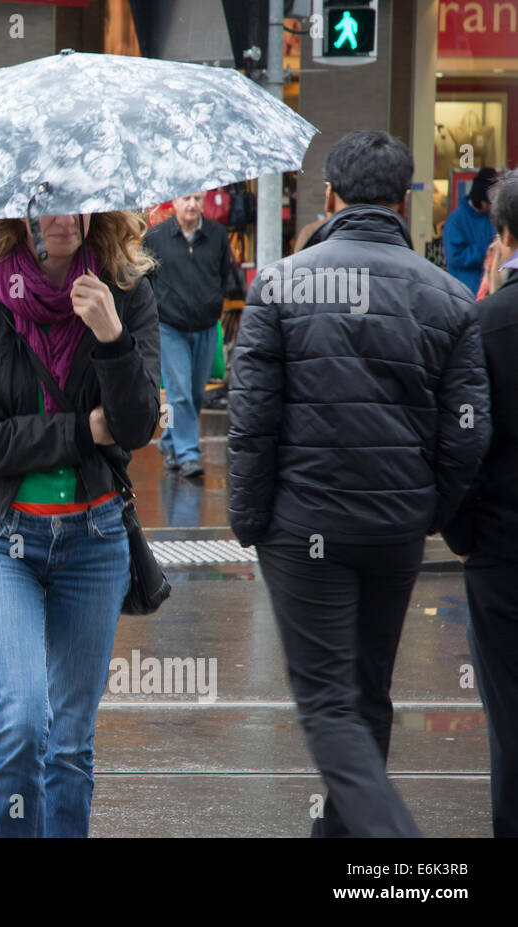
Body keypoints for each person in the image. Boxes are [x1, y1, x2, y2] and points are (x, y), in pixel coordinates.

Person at [229, 130, 491, 837]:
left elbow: (251, 420)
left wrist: (251, 520)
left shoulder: (280, 284)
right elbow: (467, 428)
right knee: (367, 695)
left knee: (328, 705)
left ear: (330, 197)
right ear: (405, 200)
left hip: (304, 523)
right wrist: (426, 508)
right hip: (396, 526)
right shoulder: (447, 296)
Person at [0, 207, 160, 837]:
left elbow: (137, 427)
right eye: (46, 202)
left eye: (78, 199)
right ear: (18, 213)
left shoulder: (126, 294)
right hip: (2, 541)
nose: (64, 215)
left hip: (95, 542)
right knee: (21, 720)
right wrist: (83, 429)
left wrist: (112, 339)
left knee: (69, 743)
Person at [443, 171, 518, 837]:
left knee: (510, 715)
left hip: (502, 548)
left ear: (503, 234)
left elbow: (460, 438)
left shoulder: (486, 322)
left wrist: (462, 530)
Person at [142, 190, 235, 478]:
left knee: (194, 394)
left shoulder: (218, 235)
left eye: (197, 198)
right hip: (170, 328)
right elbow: (144, 280)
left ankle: (169, 441)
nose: (192, 204)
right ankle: (188, 455)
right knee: (179, 392)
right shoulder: (156, 237)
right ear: (174, 203)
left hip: (206, 326)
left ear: (204, 199)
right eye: (186, 199)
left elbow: (225, 275)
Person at [443, 167, 499, 294]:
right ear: (481, 201)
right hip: (465, 291)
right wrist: (488, 251)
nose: (492, 208)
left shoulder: (491, 217)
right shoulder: (455, 221)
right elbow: (455, 256)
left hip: (489, 288)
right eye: (490, 203)